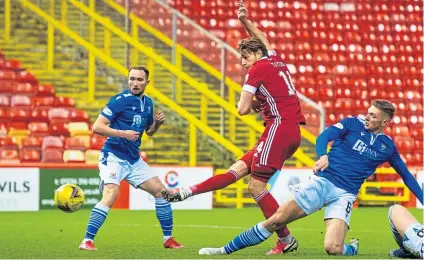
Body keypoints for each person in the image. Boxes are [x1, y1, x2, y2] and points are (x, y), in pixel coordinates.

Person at [162, 0, 306, 255]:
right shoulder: (275, 60)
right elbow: (262, 38)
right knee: (237, 169)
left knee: (256, 187)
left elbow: (241, 109)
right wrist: (244, 21)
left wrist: (250, 103)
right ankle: (186, 192)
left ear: (256, 55)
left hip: (279, 127)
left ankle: (285, 239)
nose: (242, 63)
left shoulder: (258, 68)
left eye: (245, 57)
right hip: (289, 130)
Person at [198, 100, 424, 256]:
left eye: (373, 115)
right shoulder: (352, 123)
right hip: (323, 182)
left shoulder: (388, 147)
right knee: (276, 221)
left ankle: (351, 248)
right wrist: (323, 156)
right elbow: (323, 137)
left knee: (333, 248)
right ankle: (224, 250)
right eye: (368, 111)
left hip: (345, 195)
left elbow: (406, 177)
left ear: (385, 122)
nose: (367, 116)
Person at [79, 66, 184, 250]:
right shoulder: (119, 101)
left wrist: (157, 124)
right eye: (132, 79)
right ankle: (87, 240)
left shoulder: (148, 103)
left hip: (134, 160)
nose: (135, 83)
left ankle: (168, 239)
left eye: (139, 80)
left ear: (147, 83)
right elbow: (97, 127)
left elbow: (149, 132)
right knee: (111, 193)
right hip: (113, 156)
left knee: (161, 192)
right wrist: (123, 133)